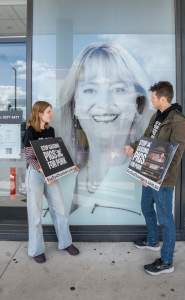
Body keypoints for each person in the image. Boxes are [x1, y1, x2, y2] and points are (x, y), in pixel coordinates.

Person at [58, 43, 152, 224]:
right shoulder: (66, 173)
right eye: (90, 90)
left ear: (137, 104)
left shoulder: (145, 179)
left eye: (118, 89)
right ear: (74, 105)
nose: (104, 103)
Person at [125, 81, 185, 275]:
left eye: (153, 97)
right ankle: (152, 240)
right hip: (148, 173)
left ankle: (167, 261)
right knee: (146, 206)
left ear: (163, 98)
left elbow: (176, 153)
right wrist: (134, 147)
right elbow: (147, 140)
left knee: (166, 219)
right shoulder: (156, 116)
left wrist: (158, 175)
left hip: (162, 179)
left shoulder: (178, 121)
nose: (151, 100)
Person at [23, 100, 79, 263]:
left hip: (50, 175)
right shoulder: (30, 132)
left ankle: (66, 243)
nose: (51, 114)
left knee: (60, 209)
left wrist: (70, 166)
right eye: (48, 112)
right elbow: (28, 156)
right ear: (39, 113)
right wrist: (41, 169)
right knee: (35, 215)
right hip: (35, 175)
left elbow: (55, 155)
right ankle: (36, 250)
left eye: (51, 111)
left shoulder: (51, 130)